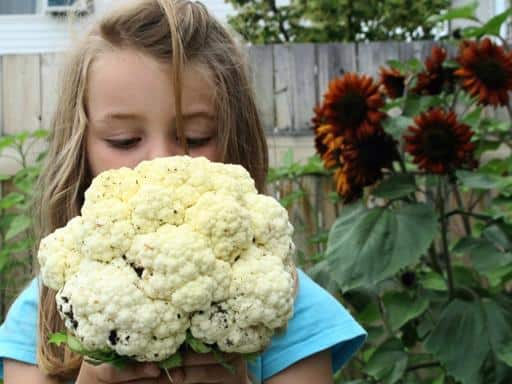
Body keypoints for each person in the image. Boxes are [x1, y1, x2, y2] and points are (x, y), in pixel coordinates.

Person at [0, 0, 366, 383]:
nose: (160, 161)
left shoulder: (288, 306)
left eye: (195, 137)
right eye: (124, 141)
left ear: (233, 140)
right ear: (80, 151)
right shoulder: (43, 312)